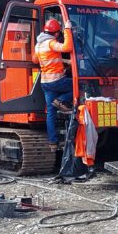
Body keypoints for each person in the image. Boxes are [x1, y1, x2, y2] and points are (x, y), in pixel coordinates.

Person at [33, 18, 75, 151]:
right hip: (56, 80)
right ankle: (61, 101)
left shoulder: (39, 44)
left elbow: (35, 59)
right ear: (56, 33)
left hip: (45, 82)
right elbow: (67, 47)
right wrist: (67, 29)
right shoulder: (51, 42)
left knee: (50, 113)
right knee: (79, 85)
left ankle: (53, 143)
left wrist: (63, 61)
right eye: (59, 33)